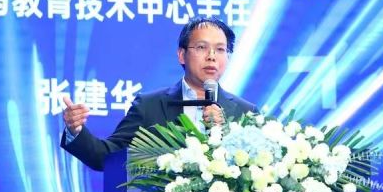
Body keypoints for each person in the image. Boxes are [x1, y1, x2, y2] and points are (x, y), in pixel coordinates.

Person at [61, 16, 256, 170]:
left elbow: (258, 170)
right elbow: (107, 158)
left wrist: (224, 132)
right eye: (201, 47)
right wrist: (74, 131)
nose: (212, 56)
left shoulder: (245, 112)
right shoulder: (149, 106)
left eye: (220, 49)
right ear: (182, 55)